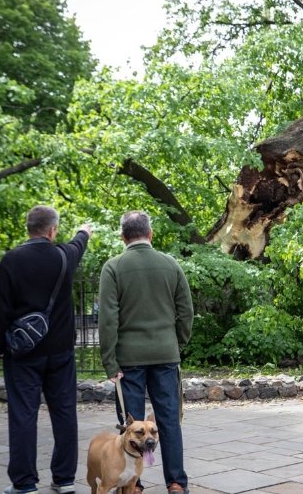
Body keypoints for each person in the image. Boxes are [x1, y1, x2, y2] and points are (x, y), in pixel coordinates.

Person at [0, 205, 92, 494]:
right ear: (52, 230)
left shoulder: (11, 260)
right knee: (64, 412)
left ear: (28, 228)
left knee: (23, 414)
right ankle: (64, 479)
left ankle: (24, 483)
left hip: (23, 353)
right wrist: (84, 231)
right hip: (60, 351)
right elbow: (78, 244)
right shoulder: (63, 256)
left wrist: (0, 345)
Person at [98, 210, 193, 494]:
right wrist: (177, 342)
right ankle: (176, 481)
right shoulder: (170, 264)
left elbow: (107, 319)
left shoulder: (113, 267)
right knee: (168, 421)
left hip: (128, 359)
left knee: (131, 425)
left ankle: (134, 484)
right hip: (166, 353)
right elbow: (186, 311)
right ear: (150, 234)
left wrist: (109, 360)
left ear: (122, 236)